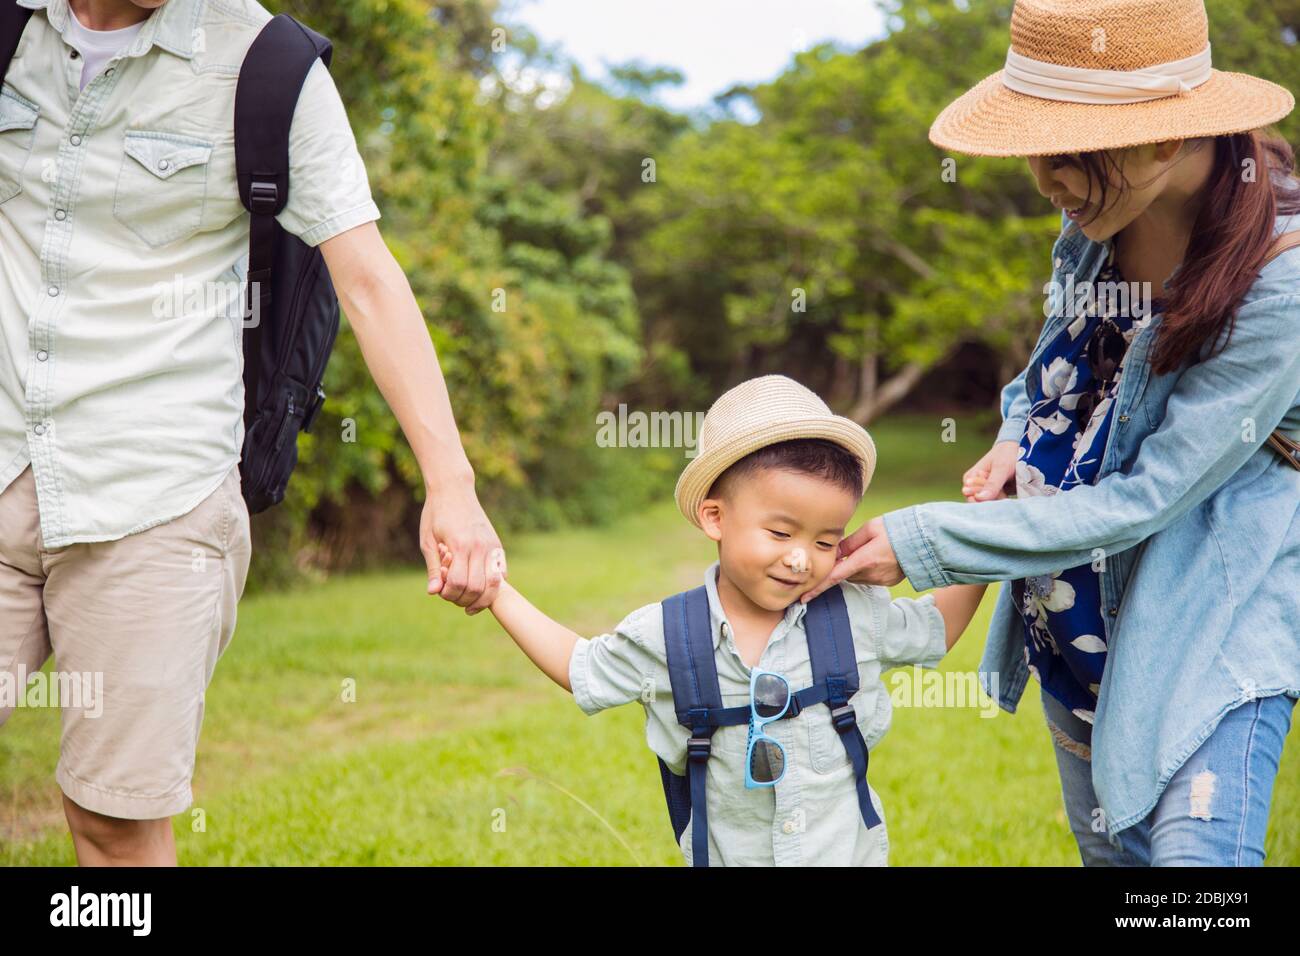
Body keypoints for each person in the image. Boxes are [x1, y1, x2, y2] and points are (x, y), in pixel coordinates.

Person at [0, 0, 503, 865]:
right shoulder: (13, 27)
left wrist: (450, 484)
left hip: (154, 503)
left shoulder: (268, 66)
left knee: (113, 825)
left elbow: (369, 279)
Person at [804, 0, 1300, 865]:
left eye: (1066, 151)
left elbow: (1146, 497)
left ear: (1164, 138)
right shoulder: (1092, 225)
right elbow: (1043, 379)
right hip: (1073, 622)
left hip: (1205, 630)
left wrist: (932, 539)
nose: (1045, 179)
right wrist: (1010, 438)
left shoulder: (1278, 286)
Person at [482, 375, 987, 865]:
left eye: (825, 541)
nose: (800, 559)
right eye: (780, 532)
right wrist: (496, 592)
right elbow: (581, 667)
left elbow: (935, 627)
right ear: (715, 517)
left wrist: (988, 536)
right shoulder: (671, 635)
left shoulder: (853, 613)